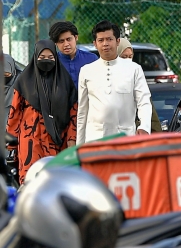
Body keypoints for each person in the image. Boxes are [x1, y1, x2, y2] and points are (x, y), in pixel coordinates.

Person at [6, 40, 77, 181]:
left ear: (56, 59)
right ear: (35, 57)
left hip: (57, 141)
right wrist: (12, 139)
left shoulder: (65, 81)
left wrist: (71, 139)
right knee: (30, 180)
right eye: (42, 58)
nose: (46, 61)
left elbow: (73, 113)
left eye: (50, 58)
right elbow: (15, 111)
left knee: (55, 180)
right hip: (30, 140)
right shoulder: (24, 81)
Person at [77, 21, 152, 144]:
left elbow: (144, 101)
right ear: (95, 44)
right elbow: (82, 112)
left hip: (126, 138)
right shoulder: (86, 71)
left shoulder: (134, 69)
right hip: (95, 140)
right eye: (101, 40)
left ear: (117, 41)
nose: (105, 44)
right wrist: (79, 147)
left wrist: (144, 126)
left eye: (109, 39)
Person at [117, 37, 162, 133]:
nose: (128, 60)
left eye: (130, 57)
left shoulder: (136, 78)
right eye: (124, 57)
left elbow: (152, 117)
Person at [49, 21, 98, 88]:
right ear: (55, 43)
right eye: (61, 41)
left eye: (69, 39)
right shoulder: (52, 62)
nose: (66, 44)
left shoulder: (91, 59)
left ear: (76, 37)